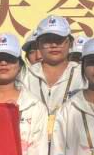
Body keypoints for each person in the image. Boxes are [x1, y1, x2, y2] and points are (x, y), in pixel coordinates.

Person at [22, 16, 79, 144]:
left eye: (59, 40)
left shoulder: (83, 75)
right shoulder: (25, 76)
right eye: (47, 41)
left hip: (72, 145)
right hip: (33, 146)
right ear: (38, 44)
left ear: (70, 43)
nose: (54, 45)